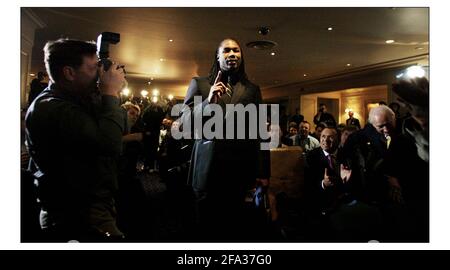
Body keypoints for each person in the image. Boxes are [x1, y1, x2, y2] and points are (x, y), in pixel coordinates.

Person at [25, 38, 127, 242]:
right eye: (92, 68)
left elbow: (121, 126)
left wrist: (107, 95)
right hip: (75, 214)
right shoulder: (53, 107)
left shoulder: (75, 100)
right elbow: (111, 143)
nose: (98, 74)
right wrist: (110, 92)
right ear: (69, 73)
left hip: (87, 206)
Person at [181, 38, 270, 241]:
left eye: (237, 51)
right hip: (207, 170)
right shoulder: (200, 84)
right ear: (218, 56)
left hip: (238, 170)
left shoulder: (251, 89)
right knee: (206, 226)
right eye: (227, 50)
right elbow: (184, 124)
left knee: (234, 227)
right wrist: (207, 102)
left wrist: (264, 171)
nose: (232, 54)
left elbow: (260, 133)